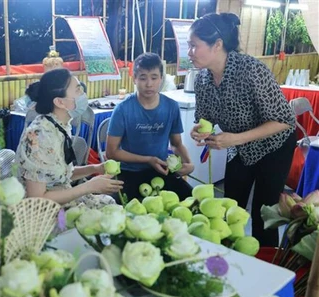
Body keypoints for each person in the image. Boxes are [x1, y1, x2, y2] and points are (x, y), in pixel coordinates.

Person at [188, 13, 296, 247]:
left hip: (274, 146)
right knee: (230, 208)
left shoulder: (251, 70)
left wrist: (235, 138)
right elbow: (204, 118)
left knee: (263, 214)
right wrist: (200, 131)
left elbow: (284, 120)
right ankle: (230, 259)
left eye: (194, 46)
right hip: (239, 148)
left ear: (217, 45)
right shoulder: (202, 80)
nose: (189, 53)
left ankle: (267, 270)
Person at [15, 68, 123, 208]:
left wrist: (94, 168)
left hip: (61, 198)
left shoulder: (58, 125)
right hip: (42, 213)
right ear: (60, 102)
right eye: (78, 91)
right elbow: (37, 198)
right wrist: (89, 187)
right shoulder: (39, 137)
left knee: (110, 204)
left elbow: (59, 176)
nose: (83, 95)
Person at [106, 53, 194, 201]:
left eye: (154, 78)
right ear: (134, 79)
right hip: (129, 172)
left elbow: (176, 143)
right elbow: (111, 152)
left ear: (161, 79)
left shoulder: (171, 107)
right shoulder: (122, 109)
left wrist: (188, 163)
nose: (149, 84)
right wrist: (148, 159)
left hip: (162, 170)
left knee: (192, 201)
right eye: (143, 78)